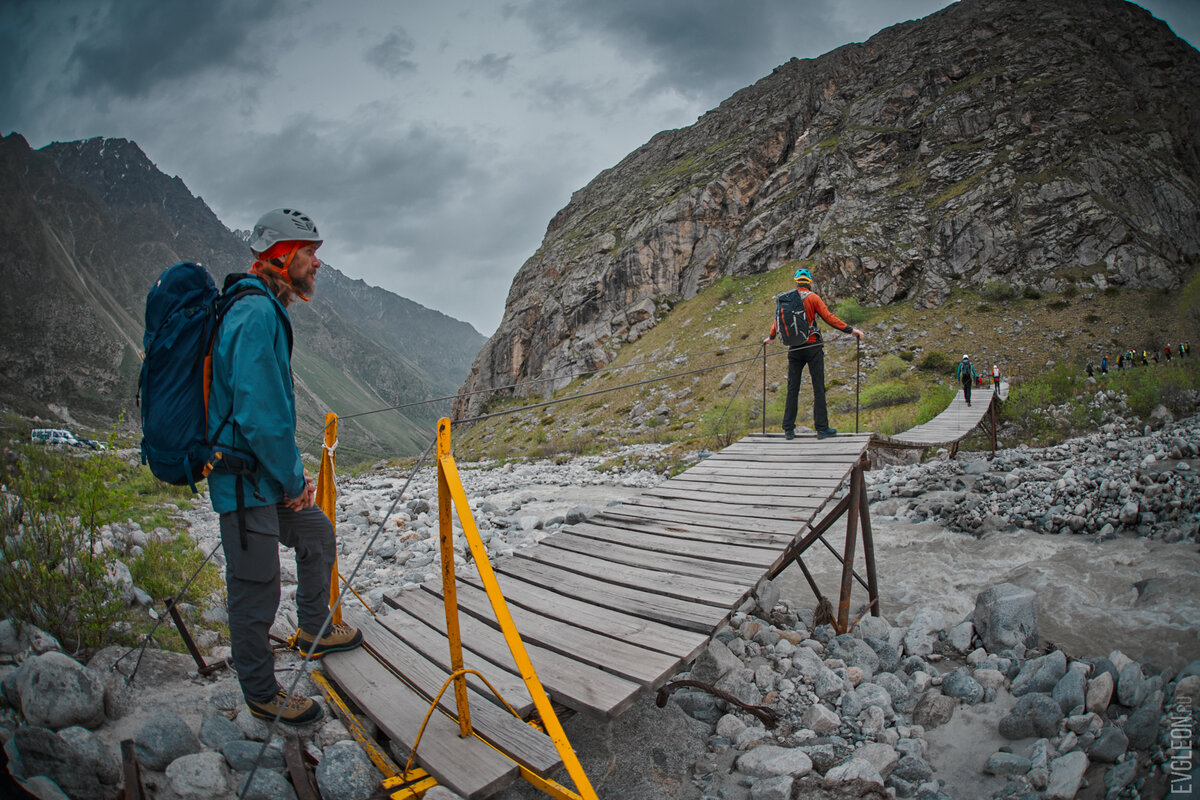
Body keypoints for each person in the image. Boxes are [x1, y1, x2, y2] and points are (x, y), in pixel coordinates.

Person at [207, 208, 362, 725]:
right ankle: (260, 691)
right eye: (309, 252)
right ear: (280, 255)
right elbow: (261, 414)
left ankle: (314, 631)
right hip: (244, 480)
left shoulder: (264, 309)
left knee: (316, 533)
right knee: (256, 587)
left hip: (263, 477)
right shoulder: (254, 315)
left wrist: (289, 483)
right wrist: (294, 481)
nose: (317, 263)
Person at [764, 267, 864, 440]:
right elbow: (828, 317)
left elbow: (778, 322)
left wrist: (770, 337)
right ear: (809, 282)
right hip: (813, 346)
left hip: (794, 348)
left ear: (796, 281)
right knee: (818, 388)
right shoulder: (813, 298)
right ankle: (822, 429)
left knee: (792, 388)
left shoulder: (787, 300)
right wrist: (851, 330)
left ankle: (788, 429)